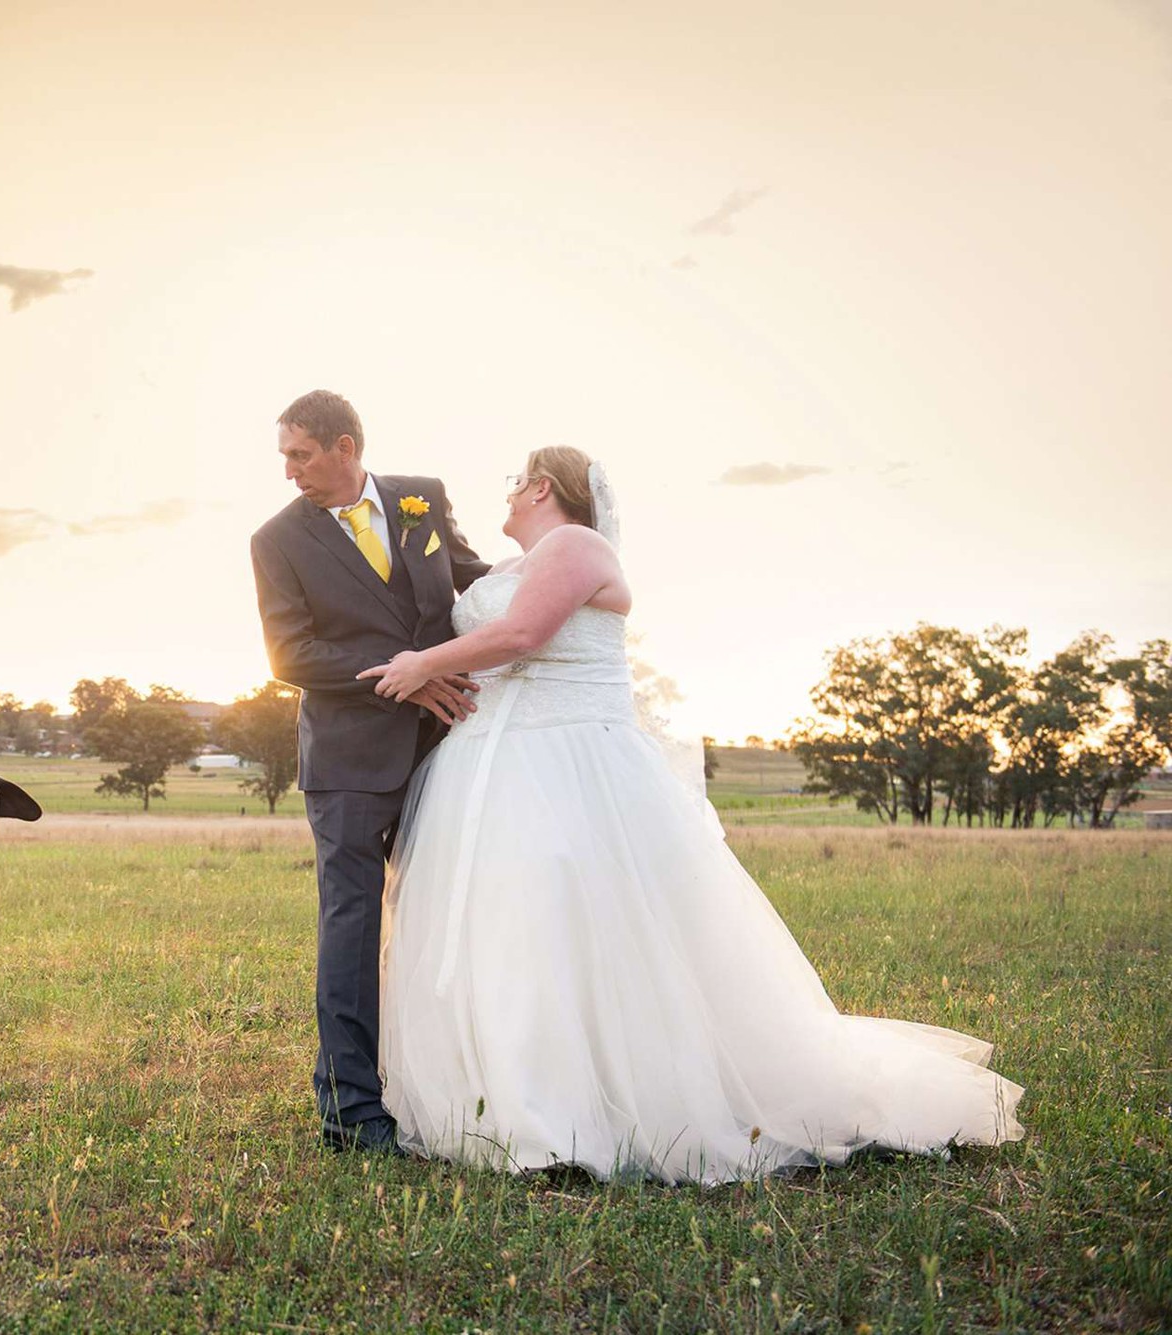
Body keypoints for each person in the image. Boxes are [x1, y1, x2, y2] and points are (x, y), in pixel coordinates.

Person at [360, 447, 1025, 1182]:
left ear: (544, 486)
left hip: (570, 766)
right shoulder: (502, 569)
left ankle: (586, 1115)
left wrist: (423, 663)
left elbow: (522, 636)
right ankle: (512, 1100)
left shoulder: (576, 545)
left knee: (576, 928)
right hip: (490, 767)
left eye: (516, 482)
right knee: (514, 932)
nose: (508, 496)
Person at [250, 390, 491, 1154]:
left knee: (447, 918)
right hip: (349, 762)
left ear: (344, 446)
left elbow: (474, 584)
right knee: (351, 930)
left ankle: (448, 1081)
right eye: (284, 456)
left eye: (300, 454)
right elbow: (291, 656)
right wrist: (407, 674)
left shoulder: (423, 500)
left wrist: (555, 583)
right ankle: (351, 1109)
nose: (289, 472)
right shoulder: (276, 540)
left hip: (447, 748)